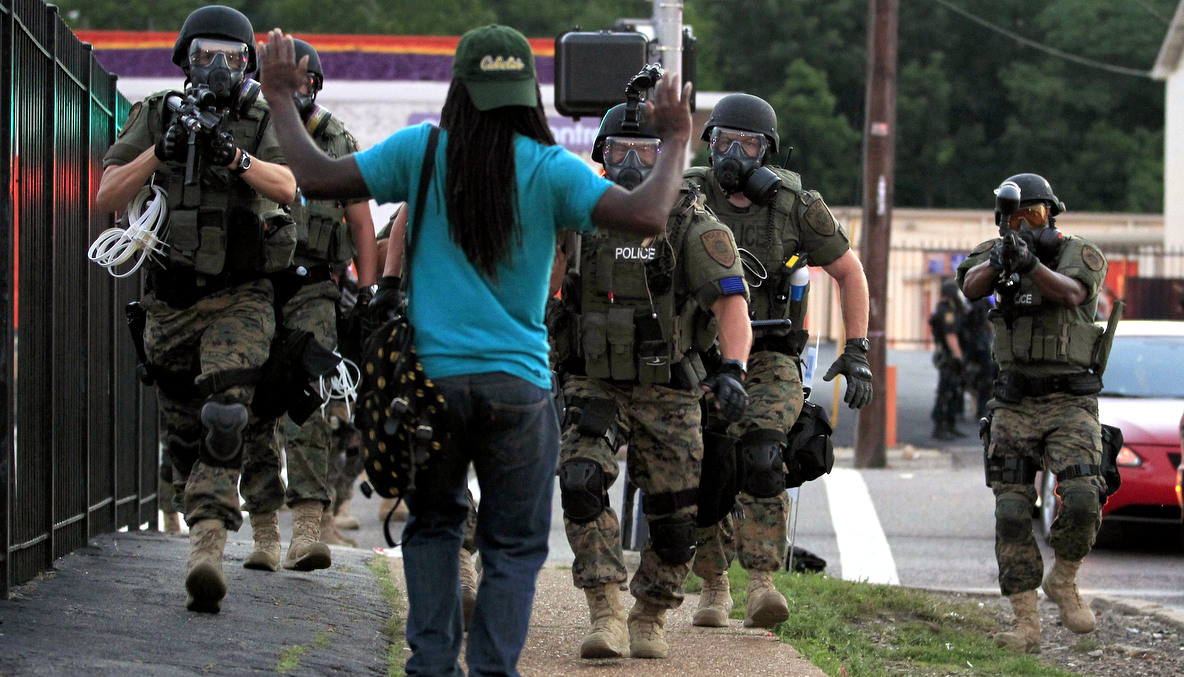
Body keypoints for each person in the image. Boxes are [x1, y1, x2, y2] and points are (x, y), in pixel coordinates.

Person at [257, 23, 696, 676]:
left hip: (431, 387)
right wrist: (676, 141)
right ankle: (492, 668)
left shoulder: (422, 152)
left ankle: (431, 665)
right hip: (518, 391)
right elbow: (648, 215)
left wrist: (281, 99)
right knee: (513, 545)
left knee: (433, 526)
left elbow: (316, 178)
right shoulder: (551, 170)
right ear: (528, 96)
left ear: (459, 89)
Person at [94, 5, 297, 613]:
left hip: (240, 294)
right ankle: (202, 524)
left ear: (247, 65)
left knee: (227, 413)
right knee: (184, 438)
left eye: (231, 56)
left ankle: (207, 549)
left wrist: (231, 157)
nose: (217, 66)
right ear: (186, 59)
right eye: (206, 54)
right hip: (172, 301)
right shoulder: (156, 113)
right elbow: (107, 195)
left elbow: (289, 185)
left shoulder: (262, 119)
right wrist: (162, 149)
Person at [555, 102, 752, 660]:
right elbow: (546, 284)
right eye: (622, 151)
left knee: (673, 519)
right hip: (596, 383)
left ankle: (650, 614)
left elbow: (731, 309)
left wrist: (734, 371)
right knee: (580, 479)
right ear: (602, 153)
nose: (634, 163)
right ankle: (605, 610)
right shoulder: (578, 218)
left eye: (648, 152)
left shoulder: (692, 224)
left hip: (669, 389)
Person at [684, 93, 872, 630]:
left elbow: (850, 273)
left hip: (770, 354)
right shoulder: (688, 196)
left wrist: (856, 352)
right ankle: (714, 583)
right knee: (702, 465)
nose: (733, 156)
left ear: (767, 152)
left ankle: (762, 583)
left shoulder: (794, 204)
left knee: (763, 452)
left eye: (747, 145)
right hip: (703, 354)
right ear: (709, 143)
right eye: (724, 142)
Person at [238, 37, 378, 574]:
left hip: (314, 286)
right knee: (250, 403)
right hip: (252, 287)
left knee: (311, 402)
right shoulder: (250, 128)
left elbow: (361, 223)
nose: (296, 89)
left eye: (304, 80)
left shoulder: (336, 140)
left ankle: (309, 528)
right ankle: (266, 529)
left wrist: (368, 295)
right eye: (284, 79)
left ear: (315, 84)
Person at [958, 173, 1110, 654]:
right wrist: (1004, 258)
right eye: (1013, 218)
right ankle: (1025, 620)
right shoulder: (993, 250)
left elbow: (1070, 294)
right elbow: (970, 285)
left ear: (1052, 217)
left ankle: (1063, 579)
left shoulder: (1078, 253)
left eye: (1034, 217)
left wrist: (1030, 264)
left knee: (1084, 496)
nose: (1023, 226)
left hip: (1070, 400)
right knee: (1011, 511)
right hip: (1015, 400)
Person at [929, 278, 967, 440]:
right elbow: (950, 335)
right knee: (946, 392)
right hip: (949, 356)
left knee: (952, 390)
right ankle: (940, 428)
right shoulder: (947, 312)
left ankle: (950, 426)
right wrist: (959, 356)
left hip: (944, 354)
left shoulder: (941, 309)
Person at [961, 294, 995, 420]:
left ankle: (980, 410)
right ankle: (978, 410)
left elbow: (991, 322)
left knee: (985, 379)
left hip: (976, 343)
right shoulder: (968, 302)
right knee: (962, 378)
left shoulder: (980, 302)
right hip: (973, 343)